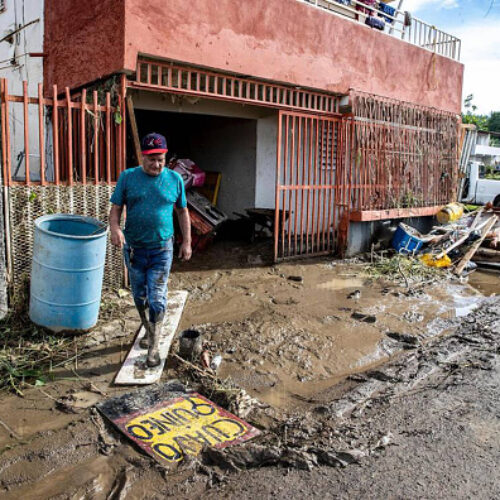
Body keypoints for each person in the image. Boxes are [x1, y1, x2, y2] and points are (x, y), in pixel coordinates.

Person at [109, 132, 192, 367]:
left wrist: (186, 242)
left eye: (161, 159)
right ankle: (148, 330)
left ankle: (154, 346)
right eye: (152, 159)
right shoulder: (128, 177)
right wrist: (115, 228)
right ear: (142, 157)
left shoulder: (175, 180)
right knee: (139, 297)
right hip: (134, 249)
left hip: (161, 249)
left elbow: (182, 211)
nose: (156, 164)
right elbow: (116, 208)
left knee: (157, 299)